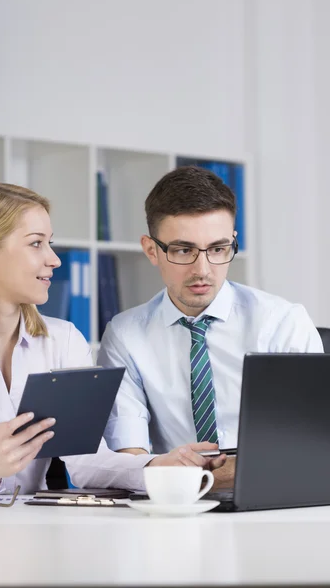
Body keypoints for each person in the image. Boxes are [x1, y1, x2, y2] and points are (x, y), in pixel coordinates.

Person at [0, 179, 224, 498]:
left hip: (35, 527)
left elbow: (85, 460)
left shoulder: (64, 340)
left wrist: (157, 467)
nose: (54, 259)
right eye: (36, 243)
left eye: (50, 243)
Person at [97, 165, 323, 487]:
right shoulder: (125, 335)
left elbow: (309, 445)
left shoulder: (282, 322)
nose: (202, 270)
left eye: (218, 249)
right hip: (172, 510)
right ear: (151, 250)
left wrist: (195, 475)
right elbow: (131, 458)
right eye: (183, 250)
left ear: (232, 242)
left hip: (272, 501)